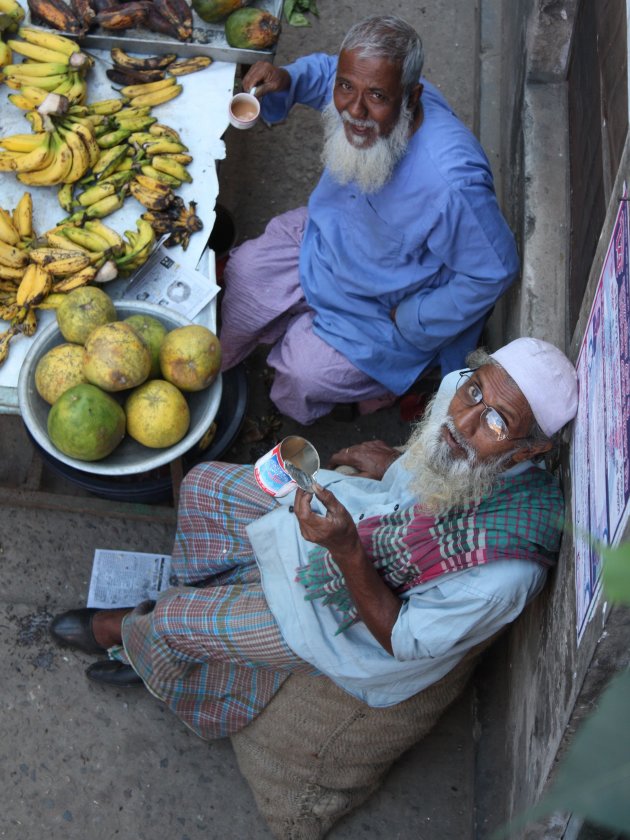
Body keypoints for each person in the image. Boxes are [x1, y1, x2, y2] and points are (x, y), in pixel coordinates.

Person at [50, 337, 577, 741]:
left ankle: (142, 643)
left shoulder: (501, 572)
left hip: (346, 623)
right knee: (203, 486)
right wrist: (393, 462)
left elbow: (404, 641)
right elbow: (433, 465)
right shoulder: (460, 396)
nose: (461, 421)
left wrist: (346, 550)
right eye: (474, 392)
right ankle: (211, 596)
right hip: (366, 510)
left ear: (529, 451)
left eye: (495, 421)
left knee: (173, 623)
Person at [219, 15, 520, 424]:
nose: (355, 110)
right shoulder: (362, 85)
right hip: (323, 244)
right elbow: (329, 70)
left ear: (412, 97)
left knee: (299, 376)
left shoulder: (453, 182)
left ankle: (383, 387)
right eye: (347, 89)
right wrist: (288, 78)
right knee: (243, 278)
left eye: (377, 96)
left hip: (382, 308)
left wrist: (417, 318)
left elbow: (495, 270)